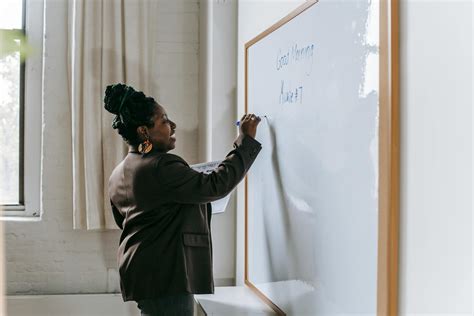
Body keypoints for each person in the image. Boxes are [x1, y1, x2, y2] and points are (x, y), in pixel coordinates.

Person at [104, 83, 262, 316]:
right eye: (164, 120)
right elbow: (216, 185)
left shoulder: (118, 172)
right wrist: (245, 140)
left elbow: (130, 221)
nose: (173, 126)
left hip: (141, 273)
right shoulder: (160, 166)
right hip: (166, 276)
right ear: (143, 131)